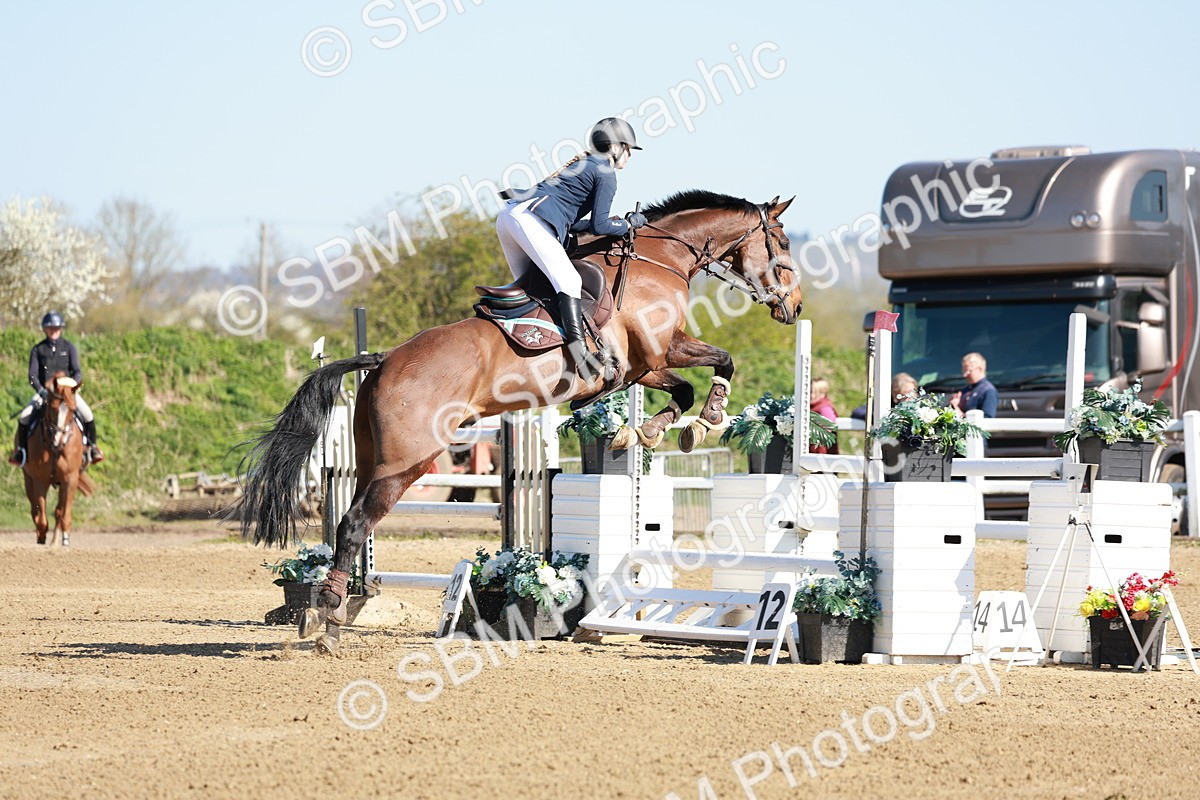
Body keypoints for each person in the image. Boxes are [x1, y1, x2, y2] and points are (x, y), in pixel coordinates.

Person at [491, 117, 647, 376]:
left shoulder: (585, 163)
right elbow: (599, 225)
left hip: (511, 216)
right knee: (570, 283)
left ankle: (516, 351)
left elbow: (573, 222)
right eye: (629, 149)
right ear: (616, 147)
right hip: (530, 219)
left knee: (531, 286)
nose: (629, 156)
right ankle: (581, 357)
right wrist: (629, 225)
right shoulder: (605, 172)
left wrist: (617, 223)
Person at [9, 311, 104, 466]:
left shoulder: (69, 347)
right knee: (24, 417)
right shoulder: (38, 350)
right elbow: (32, 375)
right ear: (45, 329)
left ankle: (92, 449)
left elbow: (77, 371)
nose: (54, 330)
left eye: (57, 327)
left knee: (88, 414)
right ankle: (21, 452)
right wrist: (41, 390)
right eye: (50, 327)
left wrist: (72, 387)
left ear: (61, 329)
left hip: (66, 393)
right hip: (45, 393)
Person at [850, 372, 919, 421]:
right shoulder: (886, 402)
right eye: (907, 392)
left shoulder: (922, 403)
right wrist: (877, 416)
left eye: (913, 391)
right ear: (896, 392)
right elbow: (858, 412)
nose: (911, 395)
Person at [949, 352, 998, 418]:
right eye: (964, 371)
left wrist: (959, 413)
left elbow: (988, 418)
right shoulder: (966, 390)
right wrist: (954, 405)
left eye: (968, 371)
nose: (964, 375)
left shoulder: (988, 391)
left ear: (980, 369)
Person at [809, 377, 840, 454]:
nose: (809, 395)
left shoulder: (824, 408)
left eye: (812, 392)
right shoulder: (812, 407)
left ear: (822, 393)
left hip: (822, 454)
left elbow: (828, 427)